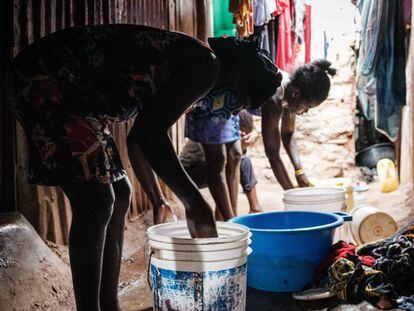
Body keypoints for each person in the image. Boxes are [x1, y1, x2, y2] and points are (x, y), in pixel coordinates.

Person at [9, 25, 281, 311]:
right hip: (50, 77)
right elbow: (150, 135)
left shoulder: (200, 70)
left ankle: (109, 304)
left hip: (79, 97)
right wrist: (194, 200)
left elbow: (138, 138)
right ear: (238, 76)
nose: (234, 110)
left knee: (121, 192)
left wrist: (159, 200)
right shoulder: (206, 66)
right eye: (239, 100)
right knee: (97, 202)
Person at [260, 59, 336, 189]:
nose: (306, 111)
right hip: (222, 99)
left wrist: (299, 172)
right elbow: (272, 154)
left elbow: (288, 133)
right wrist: (293, 194)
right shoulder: (274, 96)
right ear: (296, 93)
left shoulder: (290, 94)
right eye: (308, 107)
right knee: (227, 157)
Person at [180, 109, 262, 215]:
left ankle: (255, 208)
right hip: (189, 172)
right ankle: (222, 214)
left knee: (243, 160)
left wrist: (242, 146)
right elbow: (216, 160)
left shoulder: (229, 132)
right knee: (227, 165)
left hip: (206, 167)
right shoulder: (214, 130)